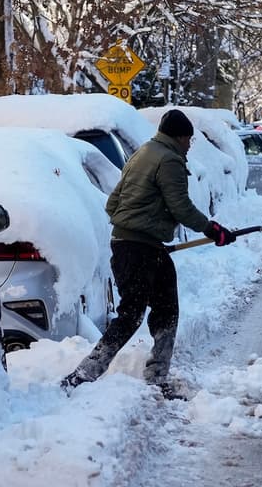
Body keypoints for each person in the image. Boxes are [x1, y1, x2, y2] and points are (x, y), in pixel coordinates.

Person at [61, 109, 234, 399]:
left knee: (164, 306)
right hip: (139, 247)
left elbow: (113, 203)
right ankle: (86, 374)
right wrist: (212, 229)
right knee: (132, 314)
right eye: (189, 140)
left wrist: (144, 232)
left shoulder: (143, 153)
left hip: (131, 244)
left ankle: (155, 375)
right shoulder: (169, 160)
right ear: (179, 137)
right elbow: (180, 206)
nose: (190, 145)